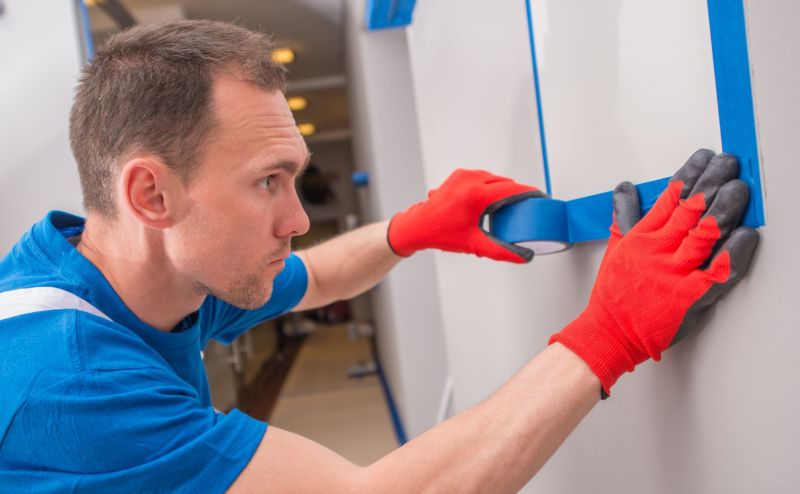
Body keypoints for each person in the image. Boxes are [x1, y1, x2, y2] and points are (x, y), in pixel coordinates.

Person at [0, 20, 759, 493]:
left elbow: (319, 274)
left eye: (292, 178)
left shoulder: (138, 274)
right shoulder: (66, 385)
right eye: (266, 182)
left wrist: (415, 227)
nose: (296, 218)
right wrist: (609, 334)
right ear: (152, 197)